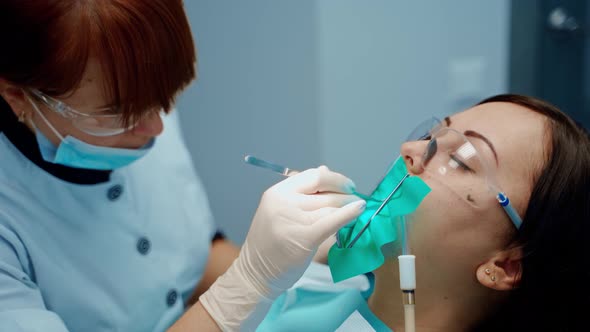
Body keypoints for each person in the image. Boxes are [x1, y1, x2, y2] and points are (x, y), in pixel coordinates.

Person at [0, 1, 366, 331]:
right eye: (117, 114)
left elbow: (187, 259)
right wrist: (251, 281)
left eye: (164, 100)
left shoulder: (138, 102)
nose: (157, 128)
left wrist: (290, 261)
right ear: (17, 95)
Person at [257, 94, 590, 331]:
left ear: (504, 265)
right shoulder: (322, 286)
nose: (411, 150)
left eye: (461, 160)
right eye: (431, 135)